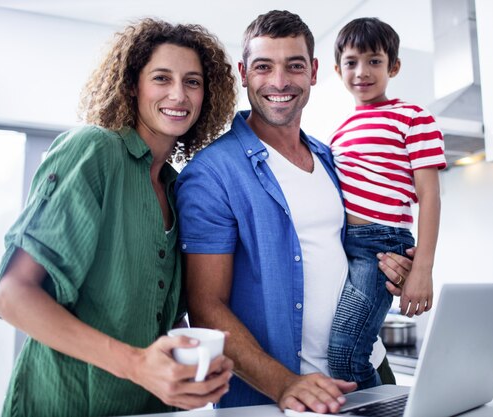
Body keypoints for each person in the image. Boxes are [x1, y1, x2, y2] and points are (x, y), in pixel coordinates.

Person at [175, 10, 414, 414]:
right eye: (264, 67)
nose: (280, 82)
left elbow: (358, 247)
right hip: (281, 396)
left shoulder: (332, 158)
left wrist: (396, 267)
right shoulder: (210, 174)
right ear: (244, 73)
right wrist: (285, 384)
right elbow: (205, 306)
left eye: (294, 66)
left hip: (370, 370)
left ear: (315, 72)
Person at [0, 18, 237, 417]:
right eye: (162, 78)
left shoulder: (180, 189)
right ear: (132, 85)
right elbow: (11, 296)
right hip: (60, 404)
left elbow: (155, 316)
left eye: (192, 82)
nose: (178, 94)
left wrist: (196, 364)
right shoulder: (94, 152)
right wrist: (138, 365)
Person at [327, 17, 446, 389]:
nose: (362, 71)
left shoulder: (413, 118)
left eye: (374, 61)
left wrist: (422, 269)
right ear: (337, 69)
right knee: (349, 347)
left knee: (345, 353)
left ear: (393, 66)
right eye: (351, 62)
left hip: (380, 247)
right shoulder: (340, 132)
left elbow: (430, 197)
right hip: (343, 246)